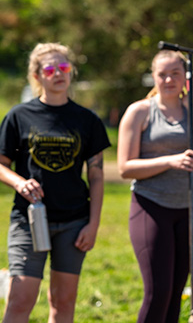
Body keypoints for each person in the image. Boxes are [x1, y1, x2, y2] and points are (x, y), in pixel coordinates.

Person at [0, 43, 111, 323]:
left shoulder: (87, 120)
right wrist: (19, 183)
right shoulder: (18, 116)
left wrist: (93, 223)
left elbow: (96, 176)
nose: (58, 73)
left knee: (63, 302)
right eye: (50, 68)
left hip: (74, 222)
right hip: (29, 219)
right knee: (20, 298)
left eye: (63, 67)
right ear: (37, 76)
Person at [117, 49, 193, 323]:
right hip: (151, 208)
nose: (168, 80)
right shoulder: (139, 112)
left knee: (176, 292)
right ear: (153, 77)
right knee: (158, 292)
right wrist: (170, 161)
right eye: (162, 74)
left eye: (176, 73)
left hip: (190, 210)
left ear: (187, 77)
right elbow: (125, 167)